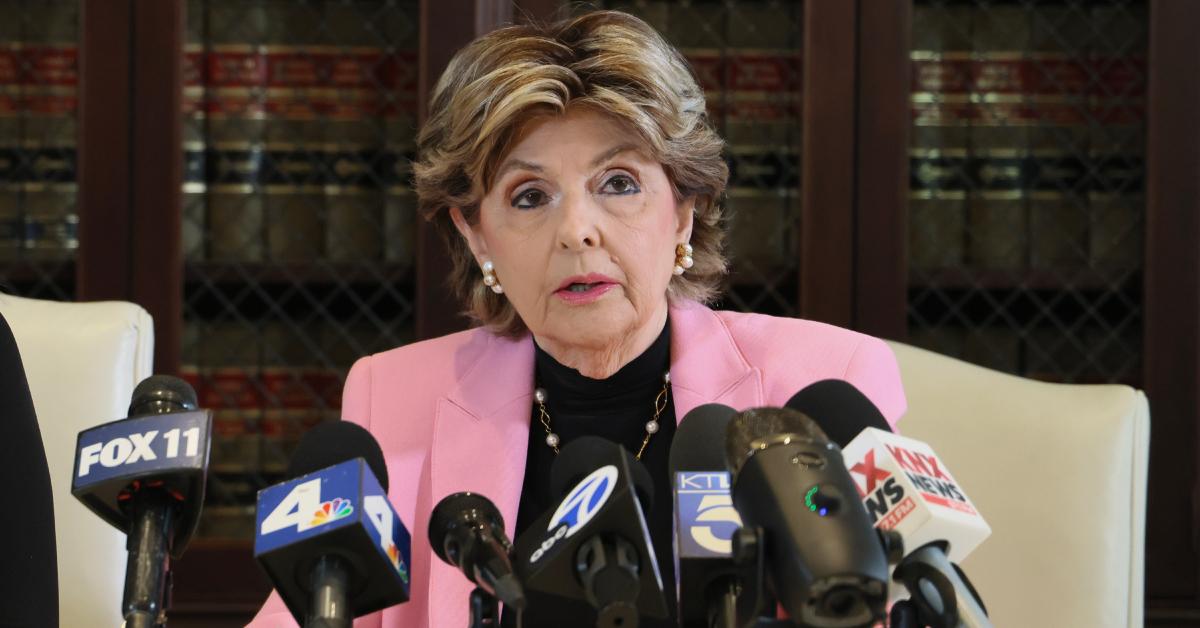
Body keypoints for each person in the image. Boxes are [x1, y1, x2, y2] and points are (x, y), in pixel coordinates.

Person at [248, 10, 905, 628]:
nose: (576, 232)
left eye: (618, 182)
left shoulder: (822, 387)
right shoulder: (393, 398)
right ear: (477, 237)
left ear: (682, 211)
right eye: (530, 196)